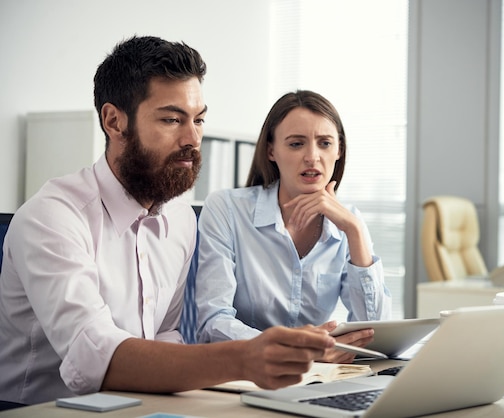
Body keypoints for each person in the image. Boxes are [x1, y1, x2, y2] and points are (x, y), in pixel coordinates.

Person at [0, 37, 335, 407]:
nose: (192, 139)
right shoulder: (52, 217)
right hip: (41, 411)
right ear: (114, 121)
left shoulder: (179, 218)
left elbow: (163, 336)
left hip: (139, 405)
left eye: (199, 119)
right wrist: (243, 358)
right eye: (172, 119)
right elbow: (94, 355)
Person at [195, 90, 392, 363]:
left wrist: (355, 232)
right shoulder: (227, 209)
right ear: (271, 151)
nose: (312, 157)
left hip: (320, 377)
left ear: (339, 150)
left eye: (324, 143)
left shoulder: (350, 222)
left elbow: (375, 334)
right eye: (296, 144)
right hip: (243, 373)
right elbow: (212, 323)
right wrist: (298, 349)